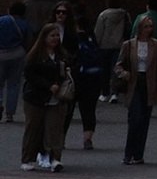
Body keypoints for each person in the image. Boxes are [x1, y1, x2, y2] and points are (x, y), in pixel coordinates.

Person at [18, 17, 66, 169]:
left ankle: (55, 159)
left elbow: (65, 72)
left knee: (54, 130)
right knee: (33, 129)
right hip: (35, 98)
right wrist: (48, 85)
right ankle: (27, 159)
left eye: (57, 35)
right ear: (44, 37)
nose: (55, 39)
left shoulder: (60, 56)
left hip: (55, 98)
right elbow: (30, 75)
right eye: (52, 35)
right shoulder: (35, 56)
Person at [119, 14, 157, 163]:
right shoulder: (129, 45)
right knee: (135, 118)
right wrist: (123, 73)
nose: (148, 29)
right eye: (146, 26)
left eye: (151, 26)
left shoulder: (156, 45)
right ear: (139, 27)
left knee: (145, 119)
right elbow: (118, 65)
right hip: (134, 81)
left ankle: (139, 153)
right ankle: (128, 153)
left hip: (148, 83)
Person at [70, 18, 106, 151]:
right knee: (89, 110)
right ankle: (87, 139)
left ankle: (61, 138)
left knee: (68, 110)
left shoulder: (72, 40)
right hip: (93, 78)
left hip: (75, 78)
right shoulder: (92, 40)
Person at [0, 0, 26, 129]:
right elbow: (28, 40)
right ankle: (10, 113)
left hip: (1, 53)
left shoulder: (2, 20)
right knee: (14, 84)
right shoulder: (24, 24)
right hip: (17, 54)